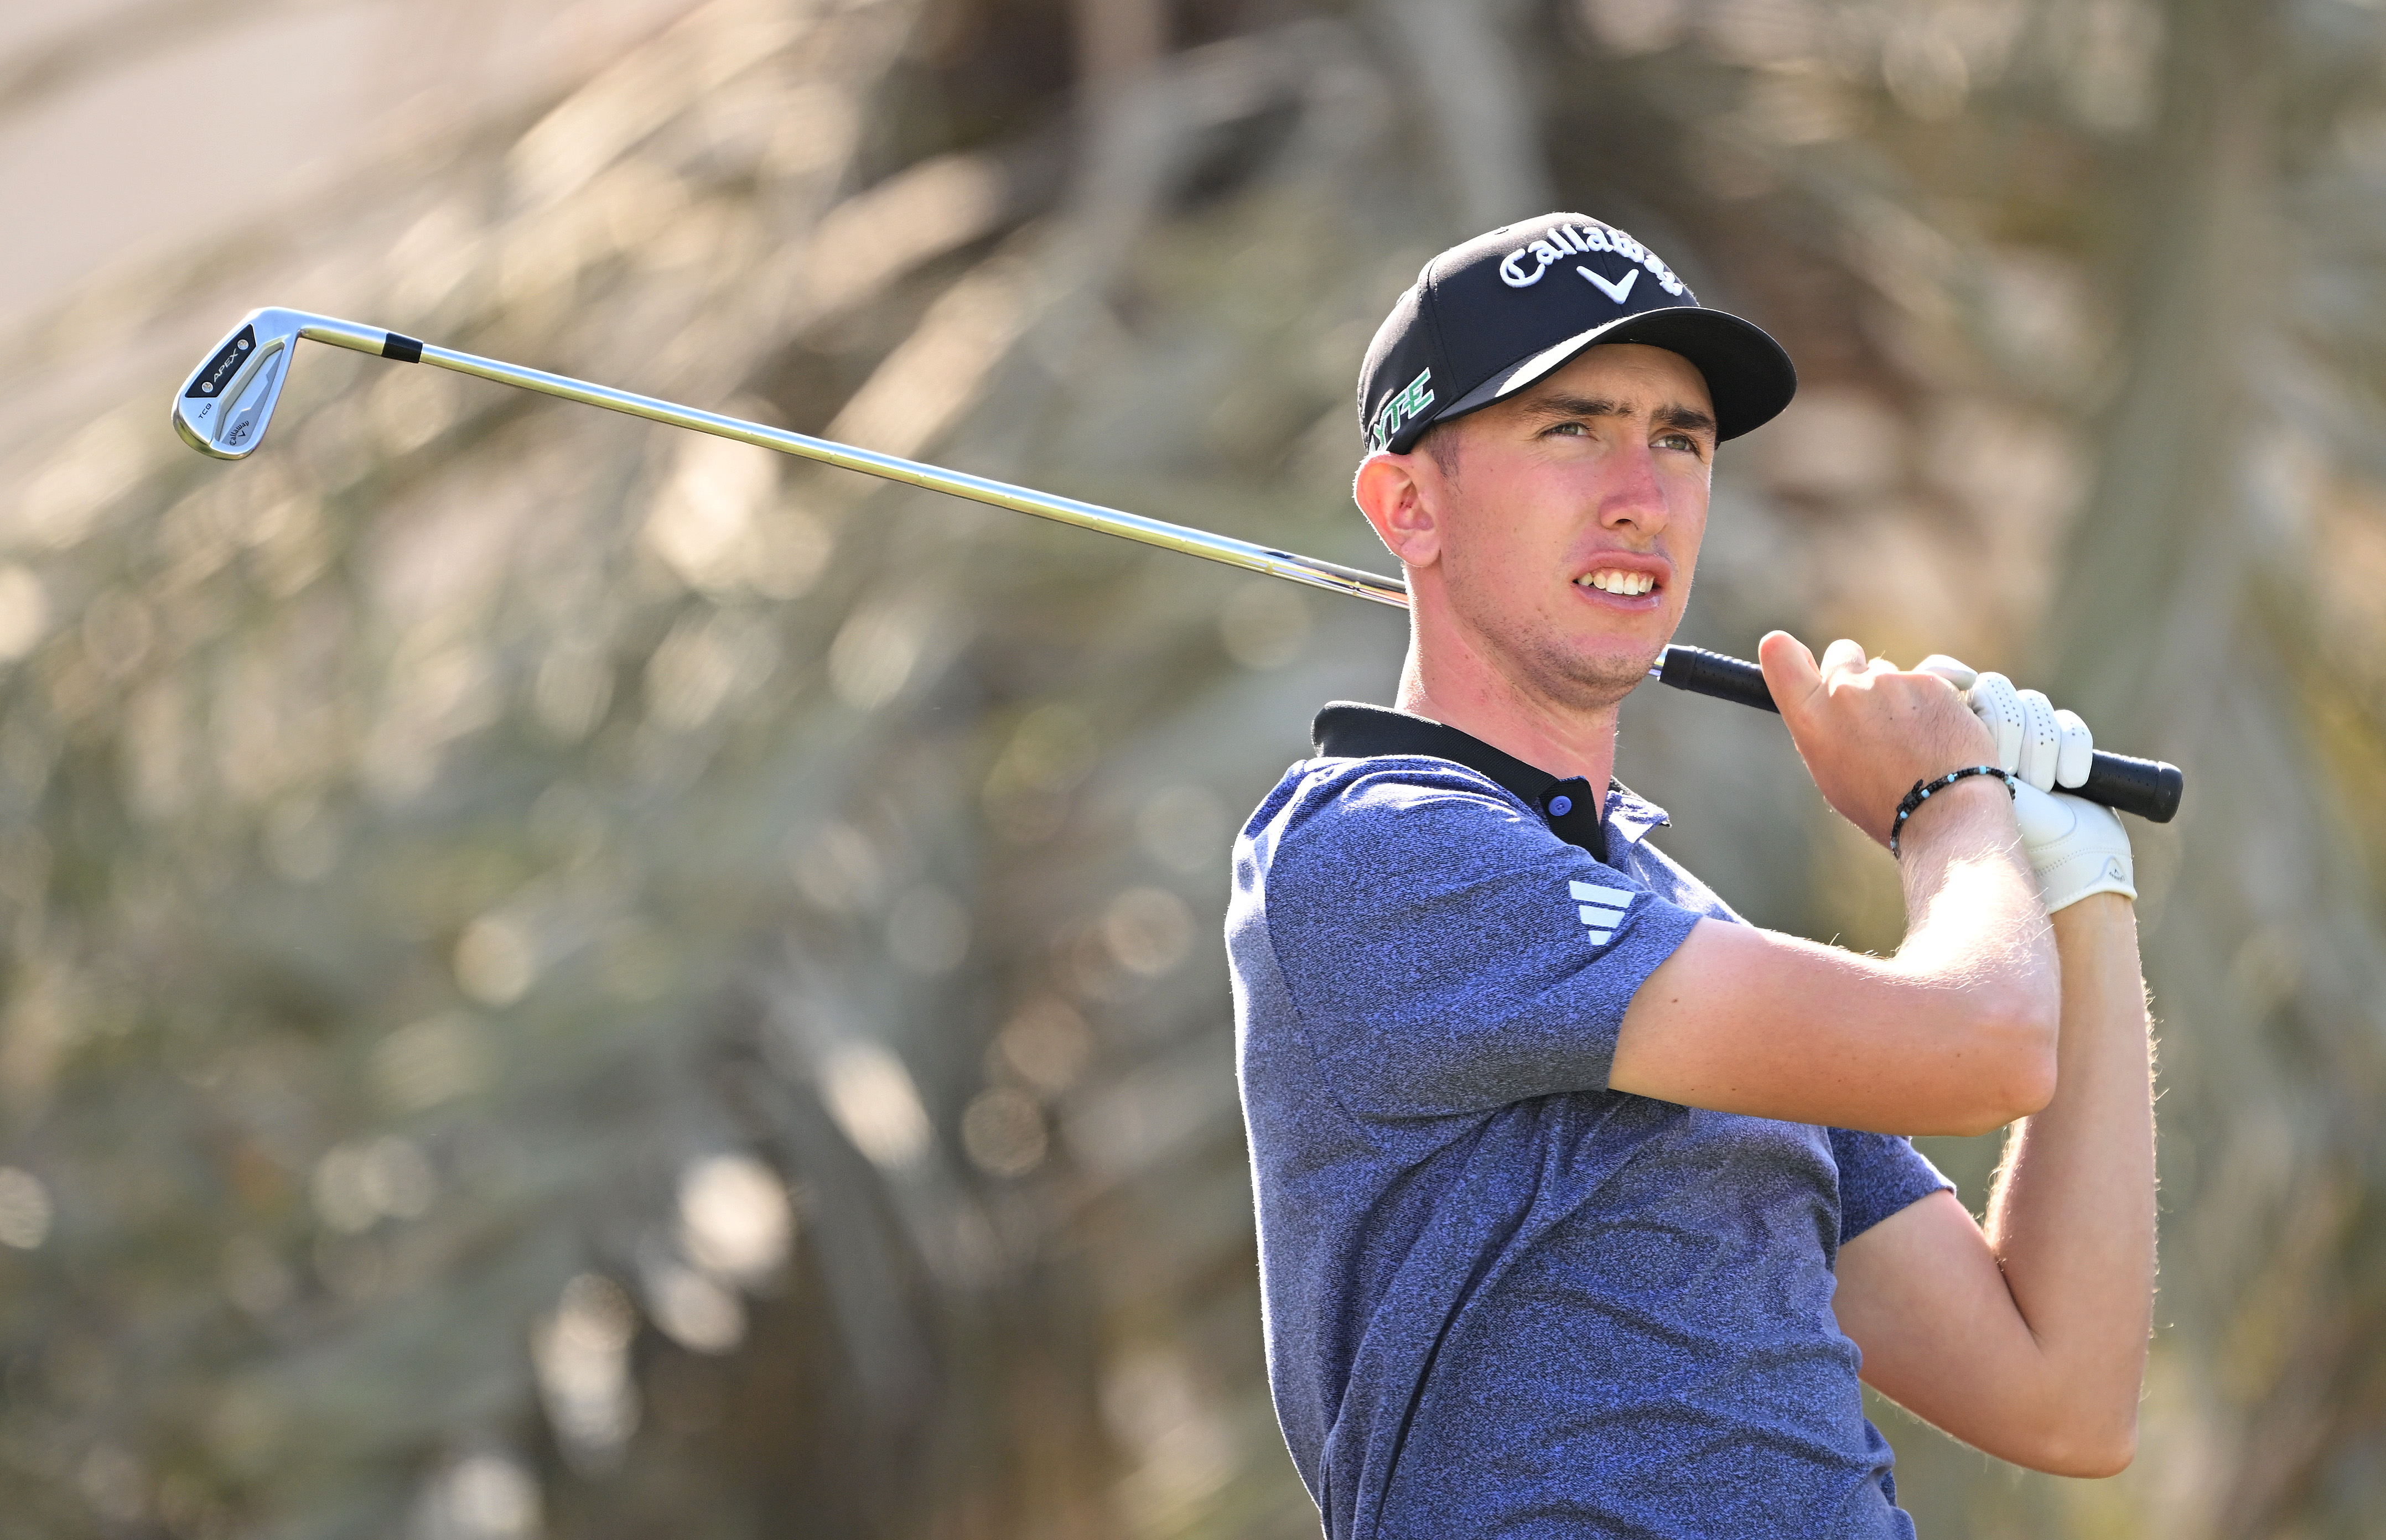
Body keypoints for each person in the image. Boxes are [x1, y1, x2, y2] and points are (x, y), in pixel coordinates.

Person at [1227, 215, 2156, 1538]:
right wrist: (1946, 815)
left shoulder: (1677, 928)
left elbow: (2063, 1397)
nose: (1642, 494)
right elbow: (1983, 1046)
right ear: (1406, 507)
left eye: (1680, 439)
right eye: (1570, 428)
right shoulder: (1375, 849)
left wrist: (2078, 891)